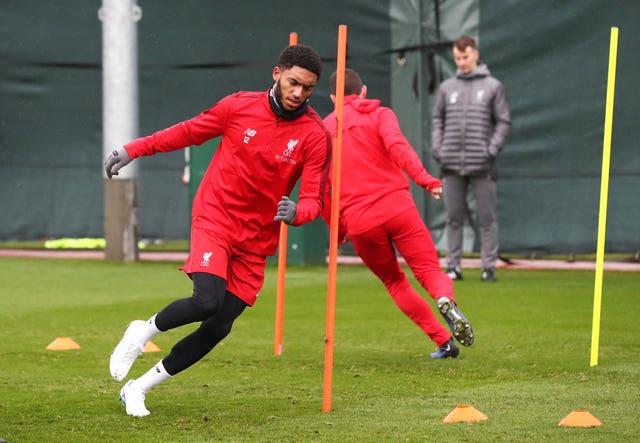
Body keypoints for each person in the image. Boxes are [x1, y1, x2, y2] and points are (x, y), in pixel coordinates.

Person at [104, 45, 331, 417]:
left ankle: (139, 388)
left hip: (256, 238)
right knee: (206, 299)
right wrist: (134, 149)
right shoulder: (238, 106)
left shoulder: (315, 135)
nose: (298, 94)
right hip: (216, 217)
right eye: (293, 83)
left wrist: (297, 214)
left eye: (307, 88)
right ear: (276, 74)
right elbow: (187, 132)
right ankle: (143, 331)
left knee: (219, 325)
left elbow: (314, 200)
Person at [323, 68, 474, 360]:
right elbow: (398, 147)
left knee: (395, 282)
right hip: (398, 208)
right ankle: (445, 299)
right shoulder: (380, 114)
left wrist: (337, 229)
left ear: (332, 98)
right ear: (363, 91)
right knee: (430, 272)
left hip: (359, 220)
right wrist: (425, 179)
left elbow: (322, 187)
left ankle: (443, 341)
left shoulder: (325, 129)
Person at [431, 35, 511, 282]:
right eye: (457, 58)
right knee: (453, 219)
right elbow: (437, 120)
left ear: (475, 54)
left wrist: (490, 150)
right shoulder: (447, 88)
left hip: (482, 166)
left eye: (465, 57)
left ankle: (489, 267)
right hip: (451, 165)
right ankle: (453, 267)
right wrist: (439, 149)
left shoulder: (493, 86)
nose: (462, 62)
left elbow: (503, 122)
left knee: (487, 219)